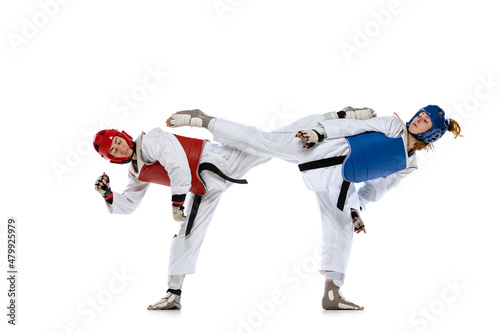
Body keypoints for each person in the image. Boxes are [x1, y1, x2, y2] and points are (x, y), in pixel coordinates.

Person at [166, 105, 462, 310]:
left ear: (431, 134)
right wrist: (320, 132)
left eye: (424, 121)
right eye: (420, 114)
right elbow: (355, 125)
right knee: (263, 141)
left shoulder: (410, 164)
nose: (418, 119)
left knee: (341, 225)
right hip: (318, 146)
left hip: (339, 181)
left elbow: (377, 189)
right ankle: (203, 120)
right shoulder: (394, 124)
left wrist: (357, 210)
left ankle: (332, 291)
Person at [93, 127, 270, 310]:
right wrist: (108, 194)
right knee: (186, 235)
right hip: (202, 185)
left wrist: (177, 201)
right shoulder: (135, 171)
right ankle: (173, 295)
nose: (120, 148)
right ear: (113, 158)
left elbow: (177, 164)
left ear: (124, 136)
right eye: (114, 150)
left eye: (118, 142)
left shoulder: (150, 141)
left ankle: (299, 138)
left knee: (266, 147)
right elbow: (130, 202)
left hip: (212, 160)